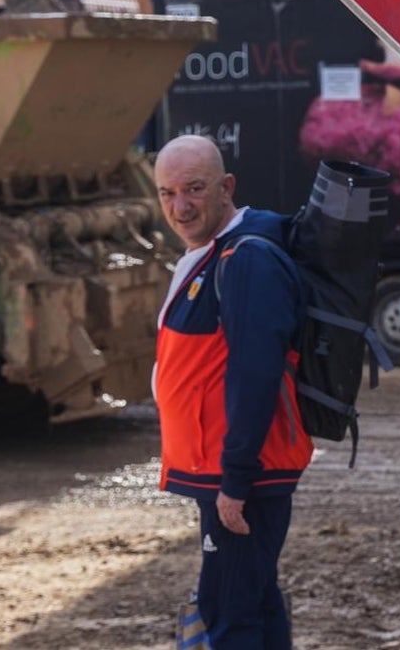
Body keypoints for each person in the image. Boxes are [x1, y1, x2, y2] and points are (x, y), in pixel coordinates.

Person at [152, 134, 313, 649]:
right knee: (253, 604)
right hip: (228, 472)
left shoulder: (246, 260)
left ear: (227, 187)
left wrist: (236, 480)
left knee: (228, 618)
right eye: (167, 193)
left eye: (194, 189)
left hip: (243, 476)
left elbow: (256, 372)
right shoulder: (218, 253)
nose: (180, 206)